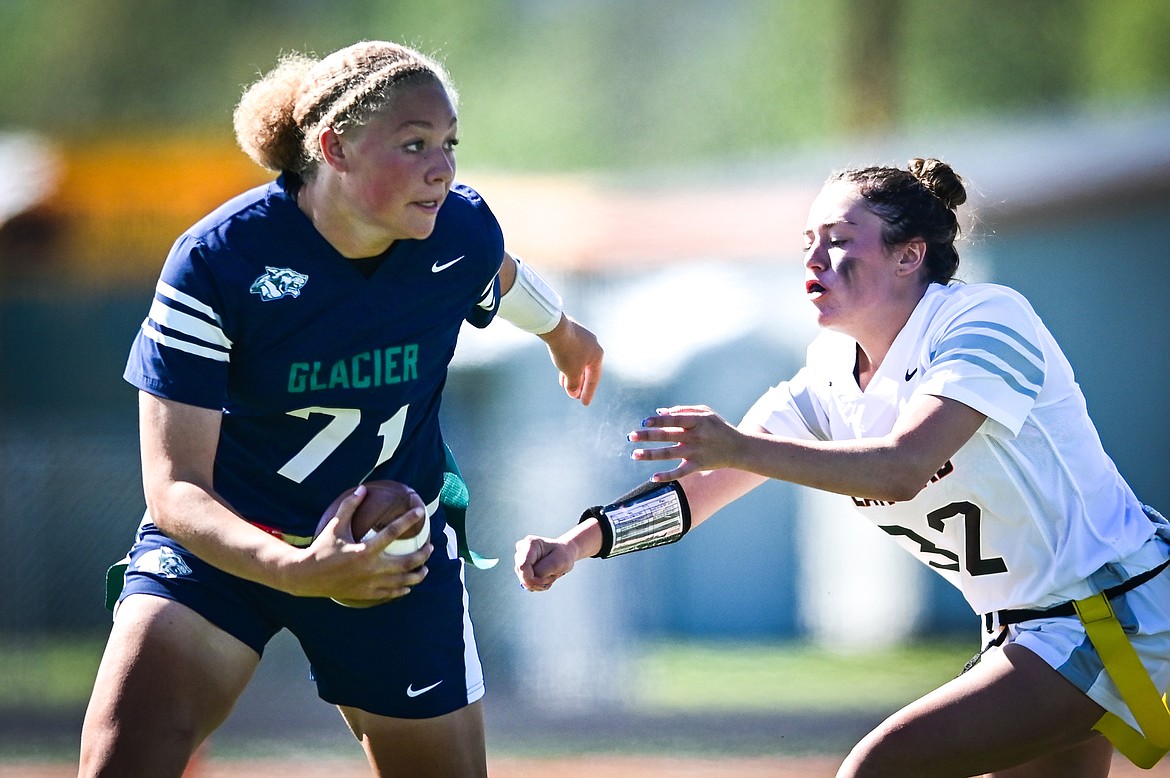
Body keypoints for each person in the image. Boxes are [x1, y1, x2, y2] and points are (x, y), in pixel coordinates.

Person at [515, 158, 1170, 776]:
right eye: (807, 240)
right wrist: (577, 543)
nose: (813, 257)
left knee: (879, 768)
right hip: (1043, 629)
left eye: (837, 238)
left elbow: (901, 468)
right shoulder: (829, 375)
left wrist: (742, 447)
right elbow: (698, 492)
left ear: (910, 253)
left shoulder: (982, 320)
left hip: (1110, 614)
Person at [79, 40, 604, 778]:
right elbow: (174, 490)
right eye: (414, 144)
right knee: (120, 764)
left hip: (393, 557)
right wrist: (295, 569)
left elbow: (500, 272)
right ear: (335, 148)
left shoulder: (454, 231)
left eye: (450, 143)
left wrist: (564, 332)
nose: (443, 167)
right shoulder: (220, 260)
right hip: (226, 546)